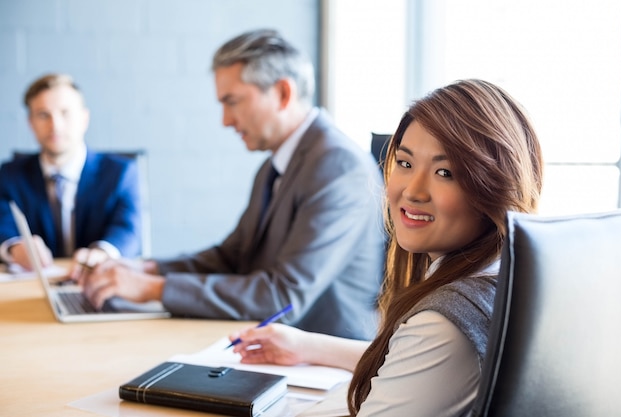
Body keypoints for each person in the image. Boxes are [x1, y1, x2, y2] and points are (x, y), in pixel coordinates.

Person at [226, 79, 544, 416]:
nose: (413, 191)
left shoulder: (445, 323)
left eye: (444, 172)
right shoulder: (497, 276)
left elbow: (426, 351)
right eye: (405, 164)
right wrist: (307, 346)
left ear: (493, 185)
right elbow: (410, 360)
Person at [80, 29, 385, 340]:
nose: (225, 120)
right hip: (271, 344)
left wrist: (152, 289)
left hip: (324, 362)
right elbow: (234, 256)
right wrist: (146, 270)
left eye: (232, 101)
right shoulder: (274, 165)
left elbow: (282, 298)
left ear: (282, 93)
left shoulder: (339, 167)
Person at [0, 73, 142, 274]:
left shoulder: (121, 173)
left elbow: (129, 231)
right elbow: (2, 224)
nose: (55, 125)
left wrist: (102, 253)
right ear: (30, 123)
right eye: (43, 115)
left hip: (96, 283)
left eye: (65, 113)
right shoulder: (10, 174)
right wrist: (14, 247)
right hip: (33, 286)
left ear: (84, 118)